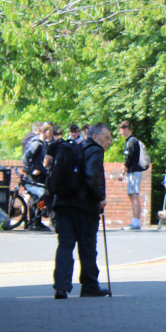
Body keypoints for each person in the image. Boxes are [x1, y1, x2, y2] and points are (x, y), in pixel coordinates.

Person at [51, 123, 113, 298]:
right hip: (84, 206)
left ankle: (61, 287)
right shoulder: (95, 151)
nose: (109, 142)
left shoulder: (74, 149)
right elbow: (93, 176)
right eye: (107, 138)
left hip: (63, 204)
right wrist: (100, 198)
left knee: (65, 245)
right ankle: (89, 285)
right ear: (95, 137)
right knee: (87, 247)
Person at [119, 121, 144, 230]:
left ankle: (136, 222)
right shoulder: (131, 141)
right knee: (132, 195)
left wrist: (123, 172)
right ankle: (135, 221)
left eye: (121, 130)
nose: (120, 133)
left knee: (134, 195)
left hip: (134, 171)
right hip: (133, 172)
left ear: (126, 128)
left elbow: (128, 160)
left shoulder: (131, 141)